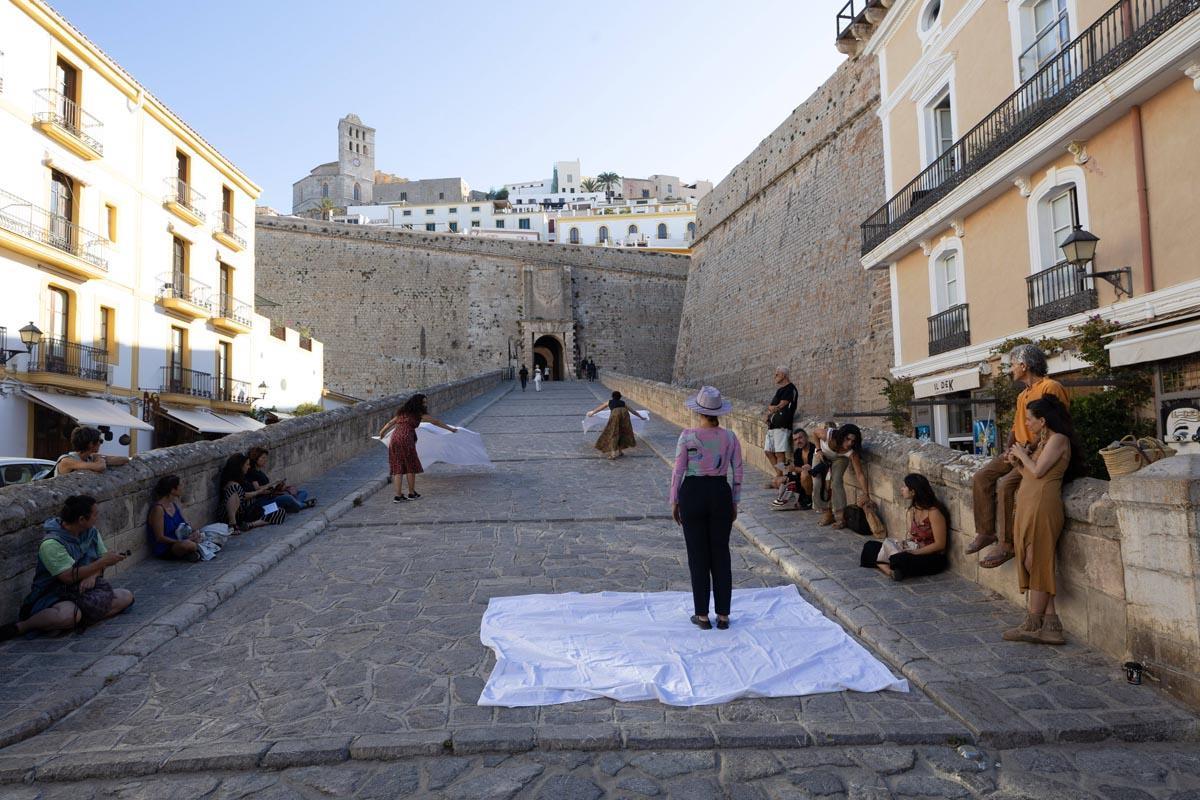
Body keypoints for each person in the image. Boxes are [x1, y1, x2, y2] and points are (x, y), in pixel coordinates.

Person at [969, 344, 1069, 569]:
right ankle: (985, 532)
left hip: (1039, 450)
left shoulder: (1050, 387)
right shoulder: (1022, 395)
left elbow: (1057, 422)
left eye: (1013, 364)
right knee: (981, 477)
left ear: (1024, 366)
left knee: (1006, 486)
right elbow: (1016, 427)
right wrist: (1009, 448)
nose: (1010, 369)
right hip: (1019, 448)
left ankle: (1007, 544)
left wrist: (1029, 450)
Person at [1002, 395, 1085, 645]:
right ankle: (1051, 625)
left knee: (1037, 560)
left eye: (1030, 419)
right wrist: (1017, 462)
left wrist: (1022, 454)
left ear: (1043, 420)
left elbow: (1039, 472)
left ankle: (1032, 622)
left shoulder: (1059, 440)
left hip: (1043, 505)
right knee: (1031, 560)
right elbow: (1029, 473)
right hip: (1029, 504)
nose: (1027, 424)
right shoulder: (1042, 442)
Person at [0, 495, 133, 642]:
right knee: (68, 615)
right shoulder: (51, 543)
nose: (97, 518)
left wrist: (93, 575)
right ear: (81, 519)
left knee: (125, 596)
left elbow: (101, 559)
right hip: (56, 594)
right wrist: (102, 563)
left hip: (84, 591)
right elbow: (68, 577)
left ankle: (74, 622)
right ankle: (23, 626)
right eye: (95, 515)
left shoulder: (91, 532)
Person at [670, 386, 743, 631]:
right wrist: (734, 501)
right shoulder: (730, 437)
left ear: (699, 412)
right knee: (721, 553)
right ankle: (723, 615)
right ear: (718, 413)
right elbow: (738, 471)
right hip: (720, 492)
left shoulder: (687, 436)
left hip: (693, 492)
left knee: (697, 554)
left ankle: (702, 615)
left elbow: (678, 470)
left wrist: (674, 500)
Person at [859, 474, 948, 581]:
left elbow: (940, 545)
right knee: (870, 546)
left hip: (931, 556)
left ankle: (885, 565)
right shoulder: (914, 510)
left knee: (898, 559)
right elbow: (913, 537)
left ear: (913, 492)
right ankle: (890, 571)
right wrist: (902, 545)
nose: (902, 489)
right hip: (914, 549)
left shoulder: (934, 512)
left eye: (905, 486)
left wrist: (915, 552)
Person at [379, 393, 457, 502]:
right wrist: (451, 429)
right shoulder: (418, 413)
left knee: (398, 466)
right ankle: (411, 493)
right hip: (406, 438)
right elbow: (436, 422)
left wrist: (382, 433)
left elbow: (390, 423)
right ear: (417, 403)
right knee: (410, 466)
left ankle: (398, 496)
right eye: (423, 402)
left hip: (395, 438)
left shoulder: (402, 412)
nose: (425, 404)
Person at [809, 422, 873, 529]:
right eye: (847, 439)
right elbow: (815, 433)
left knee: (836, 482)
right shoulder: (828, 435)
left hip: (840, 459)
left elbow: (860, 474)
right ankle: (827, 512)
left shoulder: (852, 452)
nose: (849, 443)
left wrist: (866, 494)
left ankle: (840, 516)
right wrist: (819, 450)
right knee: (817, 482)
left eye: (853, 441)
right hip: (821, 454)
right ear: (842, 436)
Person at [219, 453, 286, 531]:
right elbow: (242, 496)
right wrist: (258, 492)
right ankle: (233, 525)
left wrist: (266, 489)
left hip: (249, 510)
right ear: (240, 466)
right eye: (247, 464)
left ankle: (250, 525)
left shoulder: (243, 477)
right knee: (235, 487)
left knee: (280, 511)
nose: (249, 467)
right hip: (236, 514)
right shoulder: (231, 482)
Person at [146, 475, 203, 561]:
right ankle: (191, 552)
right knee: (188, 545)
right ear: (172, 490)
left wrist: (194, 532)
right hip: (166, 547)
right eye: (180, 485)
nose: (182, 487)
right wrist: (180, 541)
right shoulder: (158, 509)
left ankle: (190, 553)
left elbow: (183, 525)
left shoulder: (173, 504)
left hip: (179, 540)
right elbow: (160, 537)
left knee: (203, 534)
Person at [245, 447, 317, 513]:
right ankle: (303, 505)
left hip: (271, 496)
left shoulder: (260, 472)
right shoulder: (252, 472)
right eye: (263, 458)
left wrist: (277, 486)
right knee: (288, 498)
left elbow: (267, 488)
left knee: (303, 493)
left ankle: (294, 504)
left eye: (266, 458)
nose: (265, 460)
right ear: (256, 458)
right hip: (263, 500)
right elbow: (257, 489)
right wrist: (272, 483)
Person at [586, 390, 648, 460]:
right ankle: (620, 451)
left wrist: (592, 413)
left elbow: (599, 408)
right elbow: (633, 411)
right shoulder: (623, 403)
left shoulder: (609, 402)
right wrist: (641, 417)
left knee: (613, 433)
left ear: (612, 396)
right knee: (621, 433)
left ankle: (613, 454)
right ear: (620, 397)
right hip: (625, 416)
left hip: (615, 415)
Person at [763, 367, 799, 483]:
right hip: (772, 426)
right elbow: (771, 406)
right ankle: (780, 476)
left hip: (782, 426)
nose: (775, 376)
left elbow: (781, 405)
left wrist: (772, 408)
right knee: (768, 451)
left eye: (777, 374)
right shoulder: (779, 391)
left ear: (784, 375)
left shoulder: (791, 389)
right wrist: (769, 413)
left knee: (779, 453)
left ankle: (779, 479)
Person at [54, 426, 130, 477]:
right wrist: (100, 458)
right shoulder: (67, 461)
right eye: (100, 441)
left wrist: (100, 458)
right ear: (91, 444)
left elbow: (124, 459)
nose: (101, 443)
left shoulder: (91, 457)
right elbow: (100, 466)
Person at [770, 427, 815, 510]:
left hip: (813, 477)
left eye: (800, 438)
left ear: (806, 437)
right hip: (800, 478)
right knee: (777, 481)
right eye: (795, 440)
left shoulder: (814, 449)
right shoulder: (798, 452)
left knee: (804, 475)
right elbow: (797, 470)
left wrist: (795, 469)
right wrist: (789, 470)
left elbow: (813, 469)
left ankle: (809, 500)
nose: (798, 441)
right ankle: (791, 498)